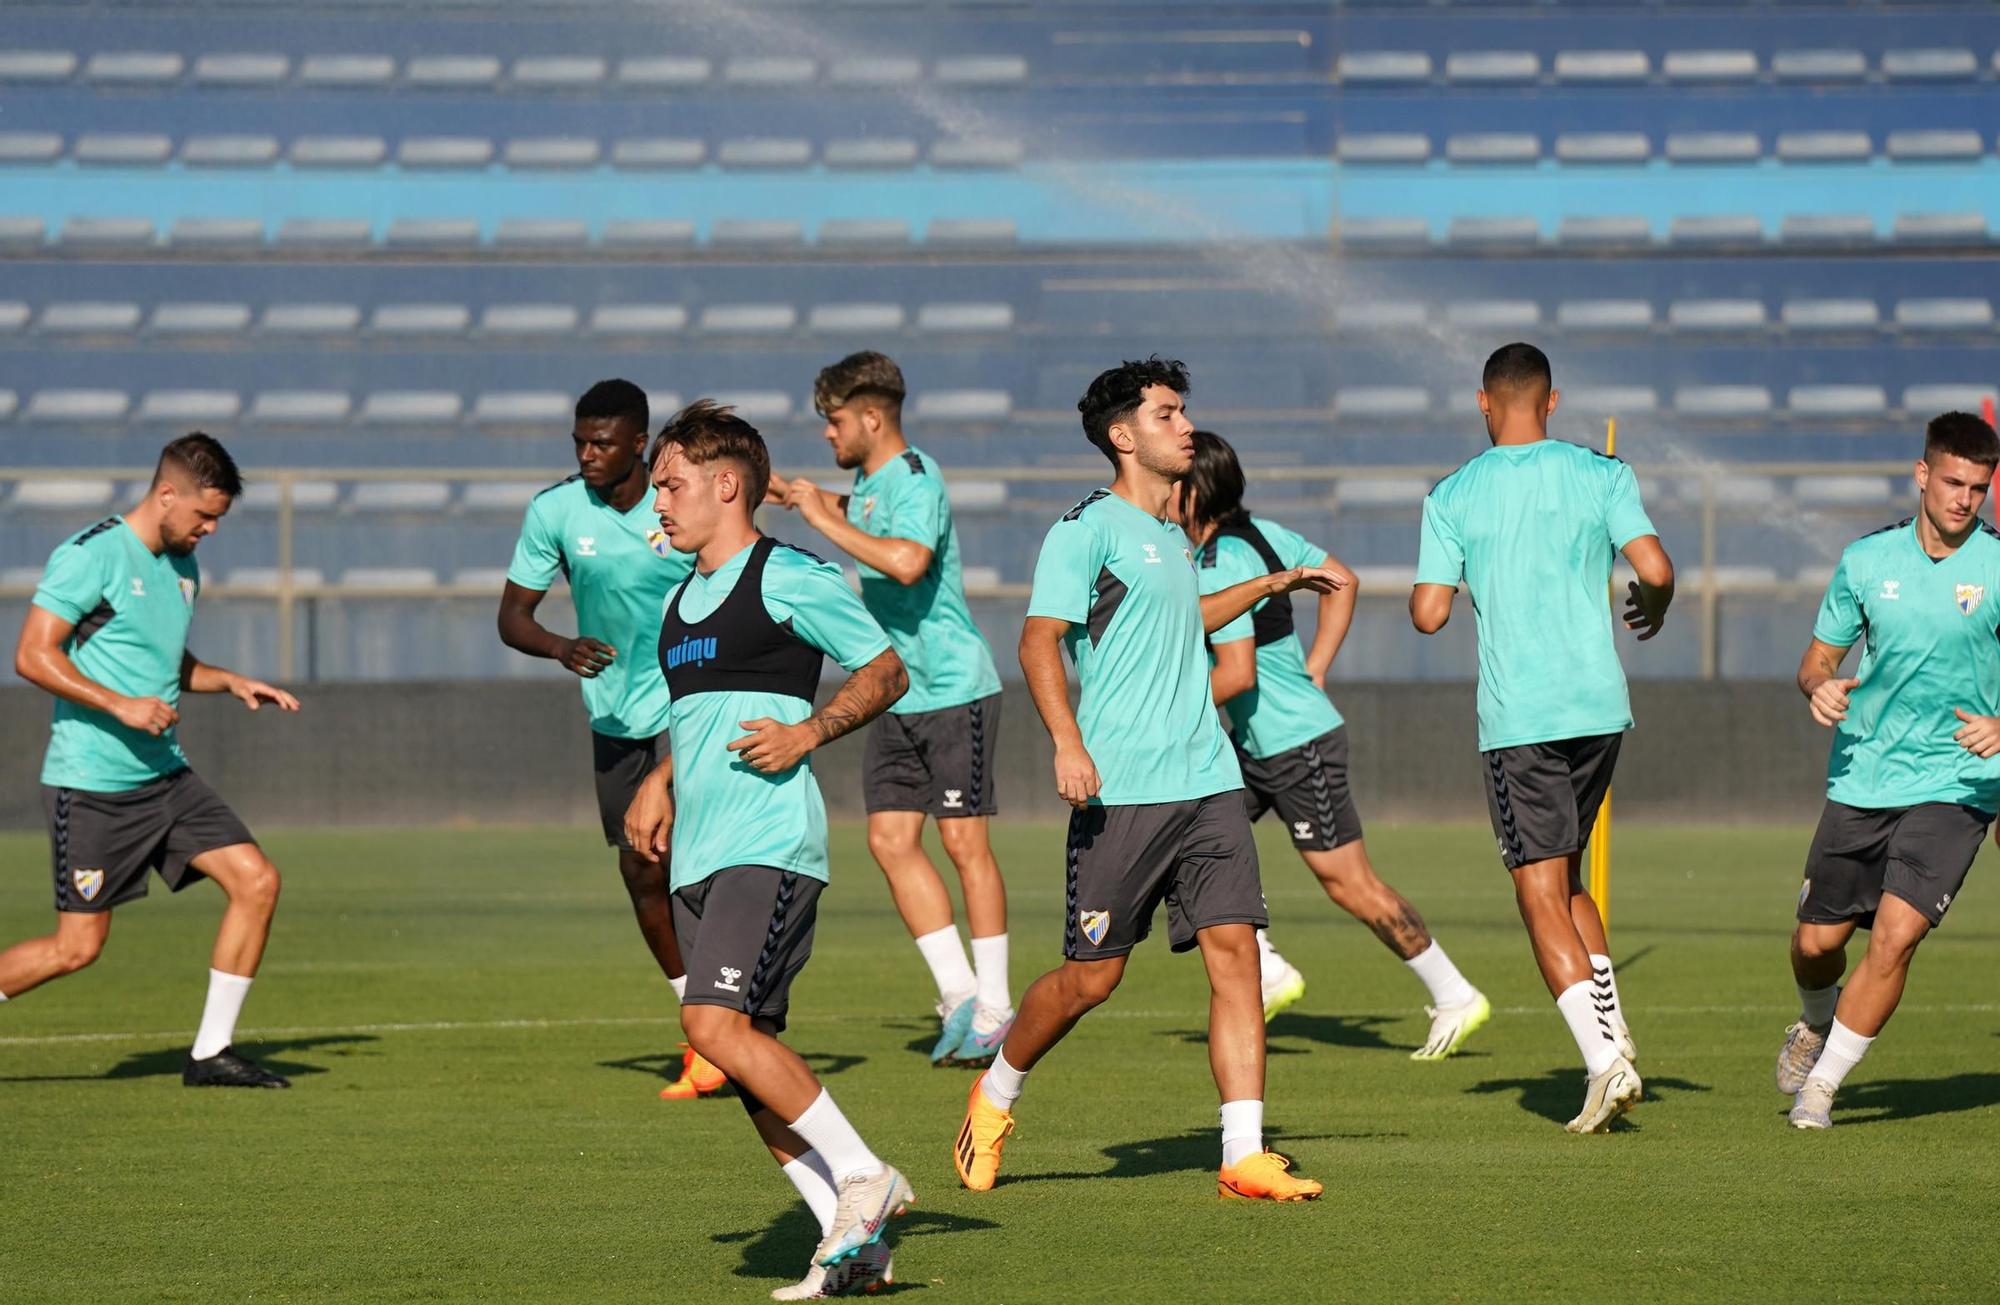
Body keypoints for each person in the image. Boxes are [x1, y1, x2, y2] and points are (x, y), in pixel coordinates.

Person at [953, 357, 1336, 1202]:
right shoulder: (1083, 530)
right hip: (1121, 788)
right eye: (1167, 414)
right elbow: (1037, 640)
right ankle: (994, 1092)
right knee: (1093, 978)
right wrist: (1066, 741)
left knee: (1236, 955)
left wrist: (1270, 583)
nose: (1185, 425)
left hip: (1208, 781)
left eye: (1183, 411)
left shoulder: (1175, 536)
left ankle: (1242, 1154)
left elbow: (1181, 618)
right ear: (1122, 436)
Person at [624, 400, 913, 1296]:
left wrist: (810, 731)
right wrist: (662, 775)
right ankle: (850, 1242)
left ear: (726, 484)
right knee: (753, 1067)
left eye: (669, 484)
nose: (657, 503)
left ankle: (867, 1176)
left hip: (767, 844)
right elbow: (701, 710)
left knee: (710, 1028)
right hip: (699, 855)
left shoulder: (784, 575)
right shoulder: (678, 600)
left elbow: (887, 667)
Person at [1410, 342, 1674, 1134]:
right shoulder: (1602, 472)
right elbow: (1655, 568)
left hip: (1523, 717)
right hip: (1598, 707)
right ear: (1552, 402)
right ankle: (1615, 1031)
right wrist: (1654, 606)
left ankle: (1603, 1065)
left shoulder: (1454, 493)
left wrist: (1451, 586)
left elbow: (1428, 613)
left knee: (1535, 893)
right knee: (1566, 884)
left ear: (1484, 404)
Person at [1172, 429, 1491, 1057]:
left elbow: (1237, 673)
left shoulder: (1222, 558)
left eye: (1174, 481)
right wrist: (1317, 664)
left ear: (1195, 491)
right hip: (1262, 744)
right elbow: (1342, 579)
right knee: (1190, 834)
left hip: (1296, 744)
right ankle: (1267, 969)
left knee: (1350, 884)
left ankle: (1455, 994)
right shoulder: (1262, 534)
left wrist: (1161, 710)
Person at [0, 433, 299, 1087]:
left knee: (257, 880)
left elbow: (162, 659)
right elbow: (31, 654)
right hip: (94, 783)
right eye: (203, 515)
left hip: (166, 777)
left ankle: (210, 1053)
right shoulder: (91, 555)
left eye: (219, 517)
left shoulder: (184, 566)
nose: (211, 529)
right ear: (167, 495)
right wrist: (120, 704)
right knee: (76, 948)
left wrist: (231, 681)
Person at [769, 351, 1012, 1067]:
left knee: (966, 845)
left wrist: (819, 517)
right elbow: (864, 516)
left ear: (871, 417)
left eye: (835, 421)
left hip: (953, 688)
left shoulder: (916, 475)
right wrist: (800, 497)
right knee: (888, 841)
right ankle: (959, 994)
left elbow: (906, 559)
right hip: (899, 691)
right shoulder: (871, 484)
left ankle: (996, 1005)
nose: (828, 435)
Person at [497, 379, 724, 1100]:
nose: (587, 454)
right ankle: (704, 1022)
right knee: (642, 871)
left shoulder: (674, 499)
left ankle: (722, 1027)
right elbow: (512, 616)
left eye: (601, 442)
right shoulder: (556, 510)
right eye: (579, 442)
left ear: (638, 442)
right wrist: (560, 647)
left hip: (689, 704)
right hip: (615, 716)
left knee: (700, 866)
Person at [1777, 411, 2000, 1129]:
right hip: (1865, 776)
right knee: (1817, 945)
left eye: (1980, 486)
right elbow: (1816, 659)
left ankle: (1823, 1089)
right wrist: (1820, 686)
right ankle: (1814, 1022)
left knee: (1897, 935)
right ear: (1923, 474)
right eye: (1955, 482)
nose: (1966, 499)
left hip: (1959, 783)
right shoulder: (1867, 561)